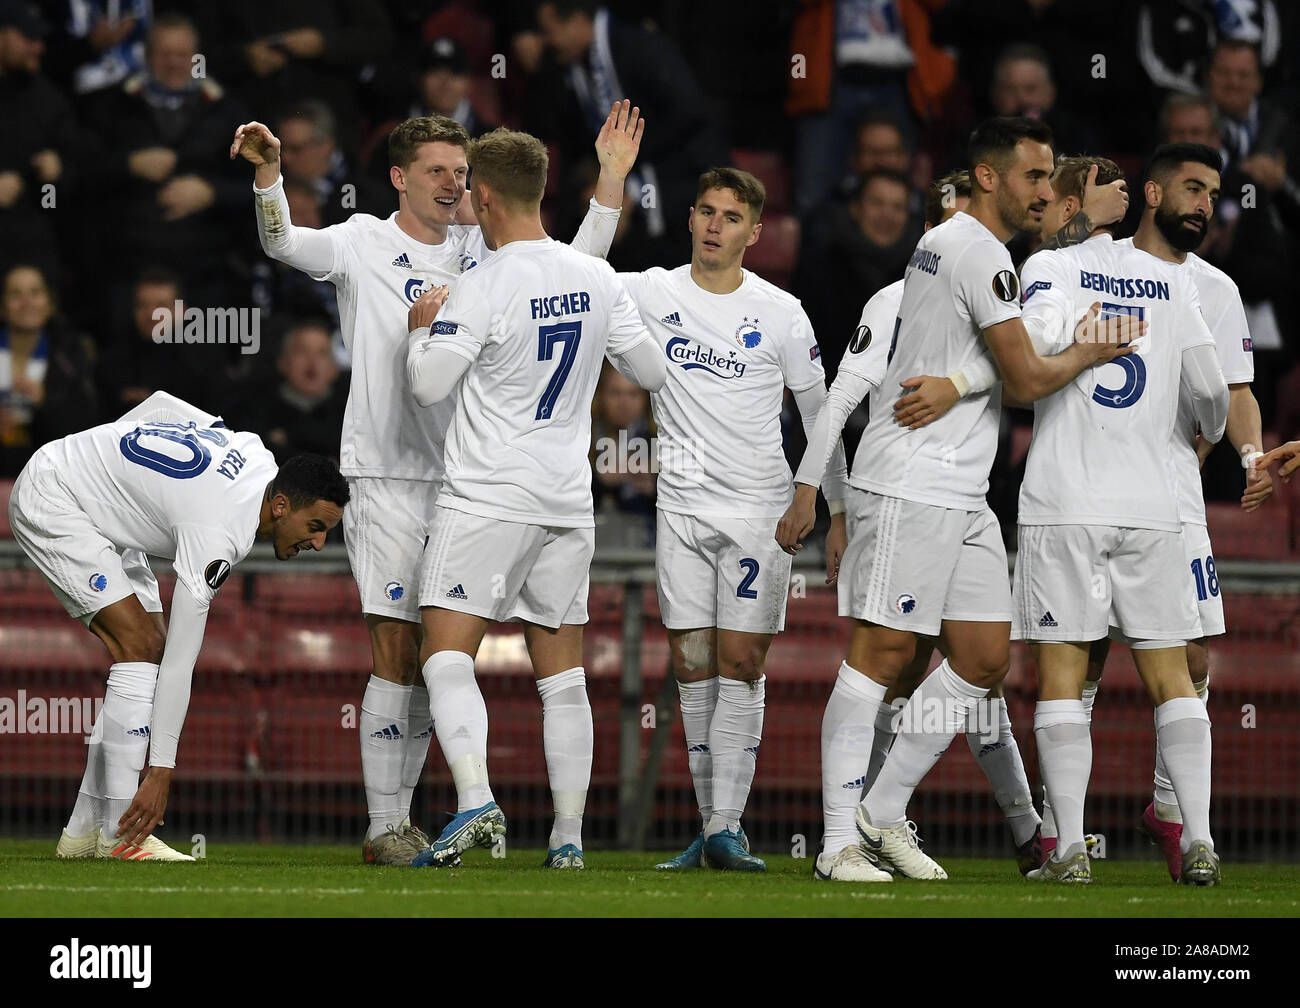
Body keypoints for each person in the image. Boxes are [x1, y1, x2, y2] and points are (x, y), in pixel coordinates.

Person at [233, 100, 642, 866]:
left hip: (469, 477)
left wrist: (610, 183)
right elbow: (283, 242)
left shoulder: (482, 250)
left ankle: (433, 814)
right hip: (387, 472)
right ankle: (386, 825)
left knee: (435, 654)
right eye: (437, 172)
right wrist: (268, 177)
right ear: (399, 178)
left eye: (462, 171)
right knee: (396, 649)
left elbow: (580, 263)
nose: (454, 183)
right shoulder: (361, 242)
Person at [778, 118, 1132, 880]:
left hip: (961, 487)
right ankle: (839, 839)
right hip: (911, 479)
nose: (1043, 191)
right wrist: (1094, 349)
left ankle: (882, 806)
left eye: (1050, 179)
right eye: (1033, 177)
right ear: (986, 177)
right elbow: (1030, 378)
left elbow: (1004, 344)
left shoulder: (961, 246)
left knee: (980, 658)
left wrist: (1073, 225)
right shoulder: (975, 251)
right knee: (881, 656)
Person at [404, 127, 667, 870]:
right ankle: (569, 837)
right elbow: (646, 369)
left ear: (482, 196)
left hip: (487, 494)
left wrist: (422, 332)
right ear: (541, 190)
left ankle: (478, 801)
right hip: (565, 503)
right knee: (564, 676)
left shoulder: (481, 284)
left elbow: (427, 387)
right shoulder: (594, 276)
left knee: (446, 656)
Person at [600, 166, 850, 873]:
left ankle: (727, 825)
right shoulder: (651, 289)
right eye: (705, 211)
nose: (715, 225)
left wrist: (829, 503)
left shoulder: (782, 312)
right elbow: (576, 273)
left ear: (754, 231)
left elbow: (819, 413)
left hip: (757, 511)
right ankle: (710, 827)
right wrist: (610, 180)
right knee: (693, 664)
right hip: (678, 509)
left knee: (741, 663)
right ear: (689, 219)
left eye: (730, 216)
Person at [1007, 151, 1230, 886]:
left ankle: (1069, 848)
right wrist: (1197, 429)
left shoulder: (1052, 267)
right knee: (1173, 677)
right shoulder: (1174, 278)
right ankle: (1197, 836)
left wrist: (1080, 347)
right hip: (1152, 506)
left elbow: (1033, 350)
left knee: (1065, 679)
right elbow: (1213, 395)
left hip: (1065, 501)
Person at [8, 390, 347, 860]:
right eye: (315, 526)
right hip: (57, 496)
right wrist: (161, 771)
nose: (318, 542)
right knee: (142, 647)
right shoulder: (218, 534)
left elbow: (163, 403)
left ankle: (84, 831)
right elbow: (181, 664)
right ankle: (122, 834)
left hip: (97, 501)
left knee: (147, 648)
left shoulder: (255, 454)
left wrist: (115, 460)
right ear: (282, 506)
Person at [1058, 145, 1268, 881]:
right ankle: (1064, 832)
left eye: (1213, 192)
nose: (1205, 203)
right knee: (1080, 656)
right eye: (1191, 187)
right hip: (1084, 485)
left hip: (1172, 493)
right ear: (1150, 192)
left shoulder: (1216, 288)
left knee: (1193, 658)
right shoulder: (1093, 260)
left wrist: (1250, 457)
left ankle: (1170, 814)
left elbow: (1235, 393)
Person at [0, 263, 97, 477]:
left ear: (50, 303)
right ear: (3, 306)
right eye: (15, 294)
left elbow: (86, 430)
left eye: (35, 292)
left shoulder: (72, 354)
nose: (26, 302)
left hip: (50, 478)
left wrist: (45, 403)